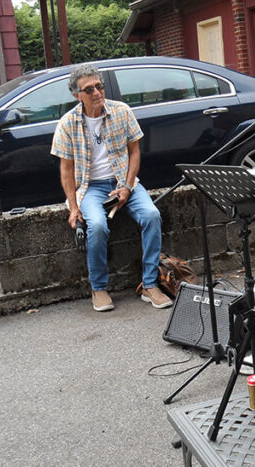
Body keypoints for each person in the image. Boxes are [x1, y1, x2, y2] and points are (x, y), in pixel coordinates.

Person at [51, 63, 172, 311]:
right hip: (91, 187)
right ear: (77, 95)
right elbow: (66, 169)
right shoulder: (67, 123)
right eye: (89, 89)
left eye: (99, 86)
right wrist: (74, 208)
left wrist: (127, 187)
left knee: (151, 215)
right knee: (96, 225)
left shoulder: (122, 111)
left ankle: (150, 284)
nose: (97, 92)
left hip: (123, 181)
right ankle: (99, 288)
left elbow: (135, 153)